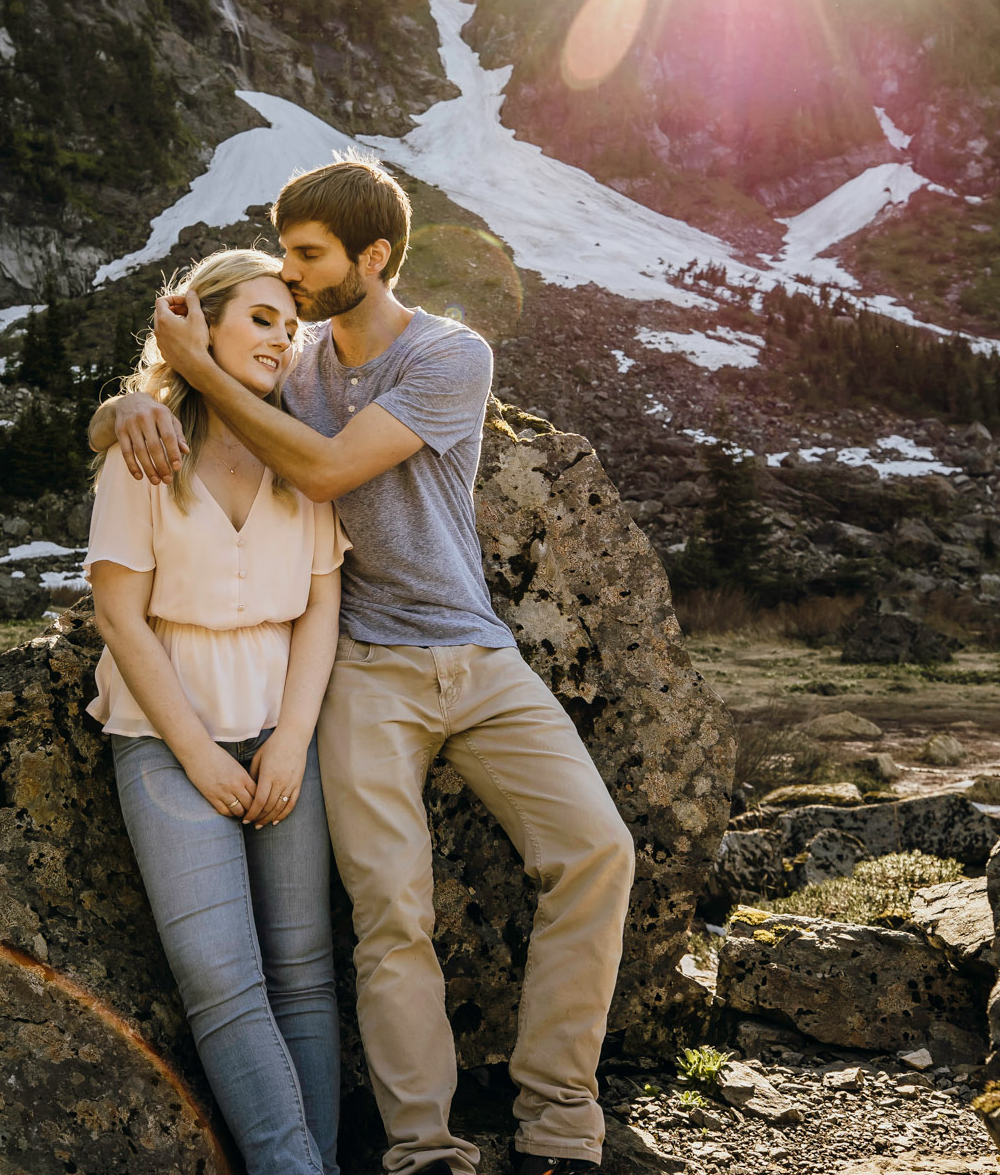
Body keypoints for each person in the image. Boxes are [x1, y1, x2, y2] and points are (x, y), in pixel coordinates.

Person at [91, 156, 636, 1175]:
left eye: (307, 257)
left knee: (596, 849)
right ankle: (423, 1150)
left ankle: (558, 1125)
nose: (289, 282)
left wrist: (194, 375)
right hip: (362, 671)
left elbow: (329, 467)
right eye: (284, 257)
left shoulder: (450, 354)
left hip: (475, 653)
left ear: (371, 257)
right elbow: (174, 405)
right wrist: (127, 409)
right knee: (390, 910)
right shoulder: (287, 367)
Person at [84, 248, 349, 1175]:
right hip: (165, 740)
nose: (281, 337)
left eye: (290, 324)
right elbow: (118, 610)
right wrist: (197, 753)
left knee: (307, 974)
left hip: (283, 731)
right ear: (202, 326)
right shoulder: (147, 443)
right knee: (221, 981)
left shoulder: (298, 447)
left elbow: (322, 606)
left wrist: (292, 742)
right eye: (261, 318)